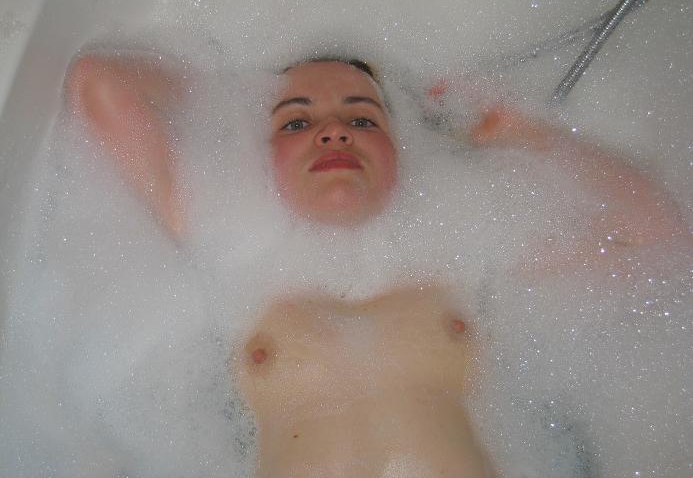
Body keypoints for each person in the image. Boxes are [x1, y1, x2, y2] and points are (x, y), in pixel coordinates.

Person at [65, 52, 687, 477]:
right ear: (258, 151)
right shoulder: (225, 240)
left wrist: (519, 129)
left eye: (362, 117)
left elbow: (657, 238)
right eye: (296, 119)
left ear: (402, 147)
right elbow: (99, 81)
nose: (334, 131)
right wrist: (233, 96)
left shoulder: (470, 250)